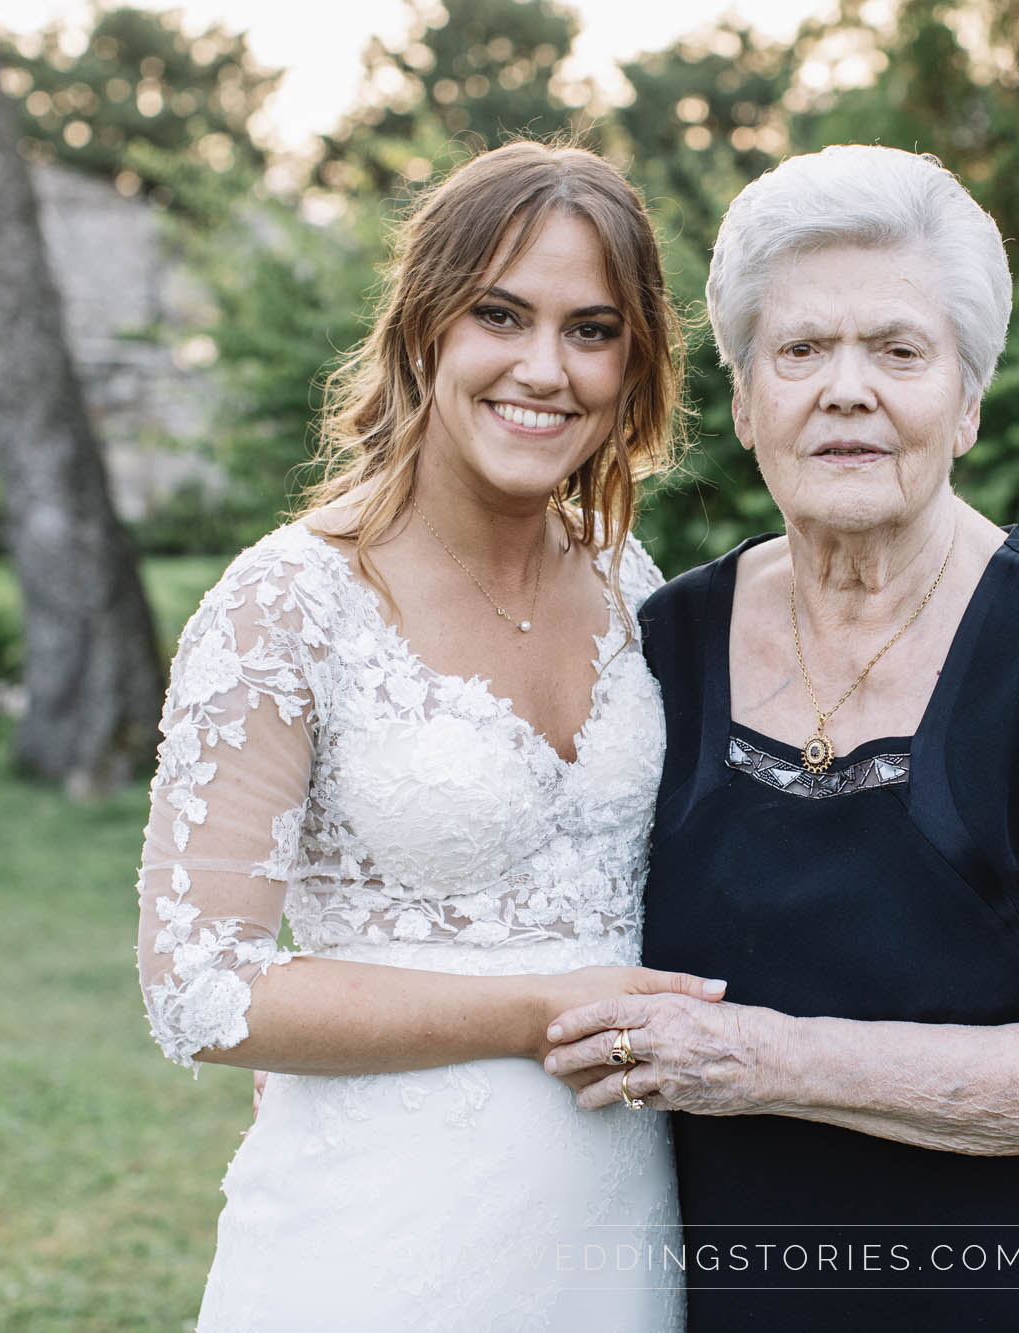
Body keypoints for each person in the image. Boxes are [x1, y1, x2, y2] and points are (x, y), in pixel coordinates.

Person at [544, 144, 1019, 1330]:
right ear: (746, 402)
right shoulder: (663, 639)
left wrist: (762, 1062)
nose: (845, 389)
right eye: (799, 352)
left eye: (897, 351)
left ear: (965, 401)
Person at [133, 140, 719, 1331]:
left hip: (616, 1241)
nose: (544, 370)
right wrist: (535, 1009)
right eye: (500, 315)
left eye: (592, 329)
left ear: (634, 363)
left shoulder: (626, 582)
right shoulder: (287, 604)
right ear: (423, 330)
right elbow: (198, 989)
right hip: (378, 1247)